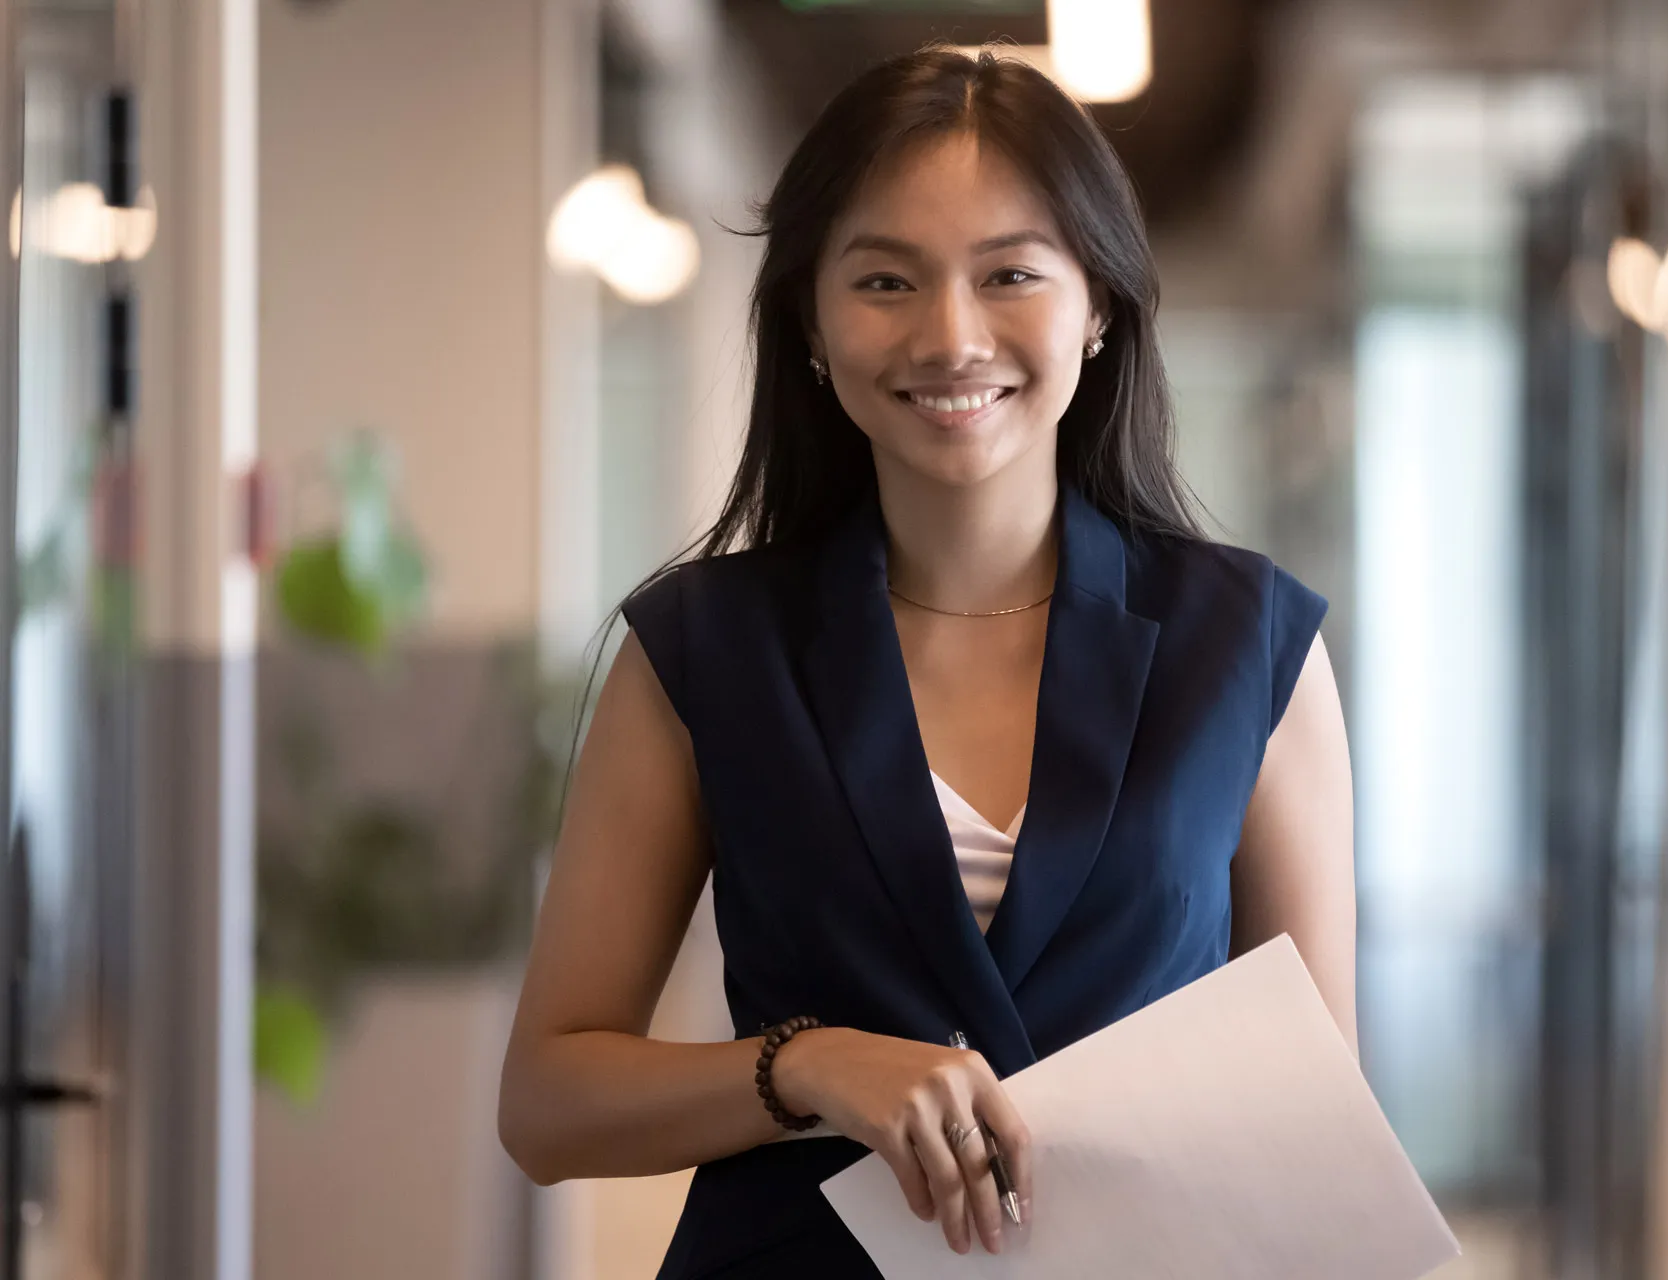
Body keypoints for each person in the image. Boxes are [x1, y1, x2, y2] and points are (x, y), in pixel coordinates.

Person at [497, 44, 1355, 1280]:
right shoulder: (702, 649)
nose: (951, 336)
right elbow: (546, 1102)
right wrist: (801, 1066)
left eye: (1010, 272)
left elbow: (1317, 1121)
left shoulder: (1251, 645)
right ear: (809, 318)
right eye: (886, 279)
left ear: (1099, 304)